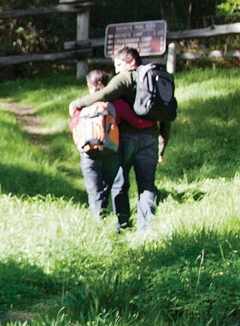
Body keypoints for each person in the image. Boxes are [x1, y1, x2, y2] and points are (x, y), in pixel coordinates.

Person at [69, 46, 172, 231]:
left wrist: (77, 103)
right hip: (150, 139)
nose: (116, 70)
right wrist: (162, 146)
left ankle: (122, 225)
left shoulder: (127, 77)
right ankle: (146, 230)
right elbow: (166, 115)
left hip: (125, 138)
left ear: (131, 61)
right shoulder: (155, 79)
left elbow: (104, 94)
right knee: (147, 185)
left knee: (120, 182)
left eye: (118, 64)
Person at [69, 69, 120, 221]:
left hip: (88, 153)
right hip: (110, 151)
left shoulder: (82, 105)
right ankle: (113, 218)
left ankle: (98, 222)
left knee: (94, 191)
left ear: (89, 85)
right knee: (108, 187)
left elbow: (73, 126)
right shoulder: (114, 103)